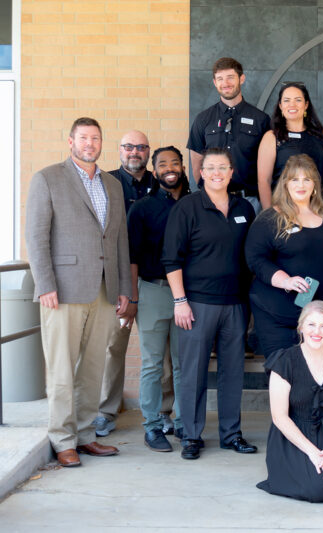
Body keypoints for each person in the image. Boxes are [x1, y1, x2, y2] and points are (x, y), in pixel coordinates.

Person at [25, 117, 131, 467]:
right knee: (60, 369)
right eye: (83, 137)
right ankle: (62, 438)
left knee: (92, 368)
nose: (90, 143)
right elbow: (37, 237)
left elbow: (118, 241)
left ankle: (85, 435)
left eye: (95, 138)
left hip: (104, 290)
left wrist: (123, 289)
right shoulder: (48, 178)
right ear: (70, 141)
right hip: (63, 290)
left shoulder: (113, 185)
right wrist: (46, 285)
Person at [162, 147, 258, 460]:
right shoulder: (188, 208)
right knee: (194, 372)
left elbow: (252, 257)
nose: (216, 173)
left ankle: (231, 434)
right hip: (197, 304)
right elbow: (171, 259)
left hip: (235, 304)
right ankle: (190, 435)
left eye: (223, 167)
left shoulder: (244, 208)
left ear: (232, 172)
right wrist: (180, 301)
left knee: (233, 372)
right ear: (201, 173)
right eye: (210, 168)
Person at [245, 154, 323, 358]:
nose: (301, 185)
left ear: (315, 184)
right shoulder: (270, 219)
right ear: (285, 184)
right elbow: (255, 259)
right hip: (281, 315)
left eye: (307, 179)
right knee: (284, 374)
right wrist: (286, 280)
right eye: (294, 179)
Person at [258, 301, 323, 502]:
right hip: (295, 436)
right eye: (311, 324)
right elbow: (279, 416)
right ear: (301, 327)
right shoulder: (284, 361)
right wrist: (313, 453)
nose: (317, 331)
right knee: (315, 488)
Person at [127, 146, 192, 452]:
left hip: (188, 294)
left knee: (182, 364)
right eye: (163, 164)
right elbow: (132, 256)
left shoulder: (196, 205)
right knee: (153, 364)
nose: (170, 168)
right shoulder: (142, 208)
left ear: (182, 168)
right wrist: (133, 296)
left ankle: (181, 422)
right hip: (152, 290)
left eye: (175, 163)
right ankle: (153, 426)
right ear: (155, 171)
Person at [93, 130, 155, 438]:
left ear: (148, 152)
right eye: (129, 146)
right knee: (114, 346)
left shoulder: (160, 185)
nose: (135, 152)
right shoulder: (105, 184)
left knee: (160, 351)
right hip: (118, 278)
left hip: (155, 279)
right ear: (119, 150)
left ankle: (162, 411)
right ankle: (106, 410)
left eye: (141, 147)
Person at [187, 57, 270, 211]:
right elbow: (196, 162)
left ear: (242, 78)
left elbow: (268, 164)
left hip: (250, 201)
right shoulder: (203, 119)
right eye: (220, 79)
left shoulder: (261, 119)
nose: (225, 83)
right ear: (214, 82)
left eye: (230, 77)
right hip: (212, 200)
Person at [257, 82, 323, 208]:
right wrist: (269, 214)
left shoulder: (321, 135)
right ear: (280, 105)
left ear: (306, 104)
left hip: (319, 208)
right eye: (286, 100)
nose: (292, 105)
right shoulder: (272, 137)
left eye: (298, 100)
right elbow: (264, 181)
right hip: (284, 209)